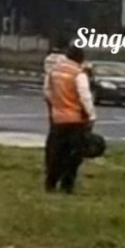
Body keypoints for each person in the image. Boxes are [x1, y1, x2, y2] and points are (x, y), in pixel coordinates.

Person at [44, 45, 96, 194]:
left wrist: (55, 105)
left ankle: (51, 183)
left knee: (56, 152)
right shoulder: (78, 74)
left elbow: (47, 91)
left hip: (57, 118)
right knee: (74, 154)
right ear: (80, 58)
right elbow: (85, 96)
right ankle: (67, 185)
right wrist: (92, 115)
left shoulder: (54, 71)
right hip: (75, 120)